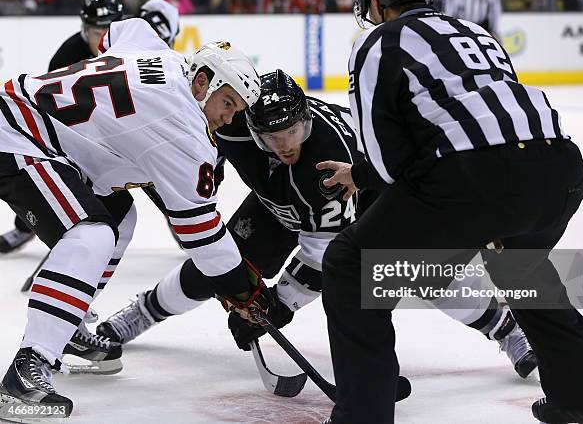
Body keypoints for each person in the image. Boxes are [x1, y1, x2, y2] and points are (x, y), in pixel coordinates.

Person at [96, 70, 536, 380]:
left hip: (369, 206)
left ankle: (507, 329)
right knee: (218, 262)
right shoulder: (233, 126)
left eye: (294, 130)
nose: (285, 144)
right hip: (278, 204)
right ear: (251, 127)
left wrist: (276, 306)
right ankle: (138, 315)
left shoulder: (324, 164)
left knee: (416, 270)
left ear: (307, 117)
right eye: (272, 137)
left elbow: (321, 259)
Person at [319, 0, 583, 423]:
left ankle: (363, 415)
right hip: (558, 169)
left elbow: (388, 159)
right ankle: (581, 399)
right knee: (520, 266)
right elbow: (487, 112)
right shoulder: (474, 31)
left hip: (474, 176)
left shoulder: (379, 42)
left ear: (377, 2)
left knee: (350, 264)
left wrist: (363, 176)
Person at [0, 18, 263, 419]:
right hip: (17, 135)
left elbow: (123, 28)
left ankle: (64, 323)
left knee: (120, 217)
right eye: (227, 103)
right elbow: (200, 232)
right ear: (202, 82)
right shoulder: (184, 130)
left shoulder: (157, 52)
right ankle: (27, 369)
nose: (229, 118)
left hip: (30, 122)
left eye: (237, 110)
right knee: (91, 235)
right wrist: (243, 289)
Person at [0, 0, 181, 255]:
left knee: (160, 173)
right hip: (85, 134)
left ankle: (180, 218)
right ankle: (27, 226)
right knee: (56, 173)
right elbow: (52, 109)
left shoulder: (135, 47)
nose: (98, 39)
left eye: (104, 30)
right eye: (92, 31)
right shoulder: (68, 54)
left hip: (131, 127)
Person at [433, 0, 501, 36]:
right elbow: (447, 1)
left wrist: (493, 30)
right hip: (460, 26)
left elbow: (494, 6)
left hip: (481, 26)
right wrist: (449, 27)